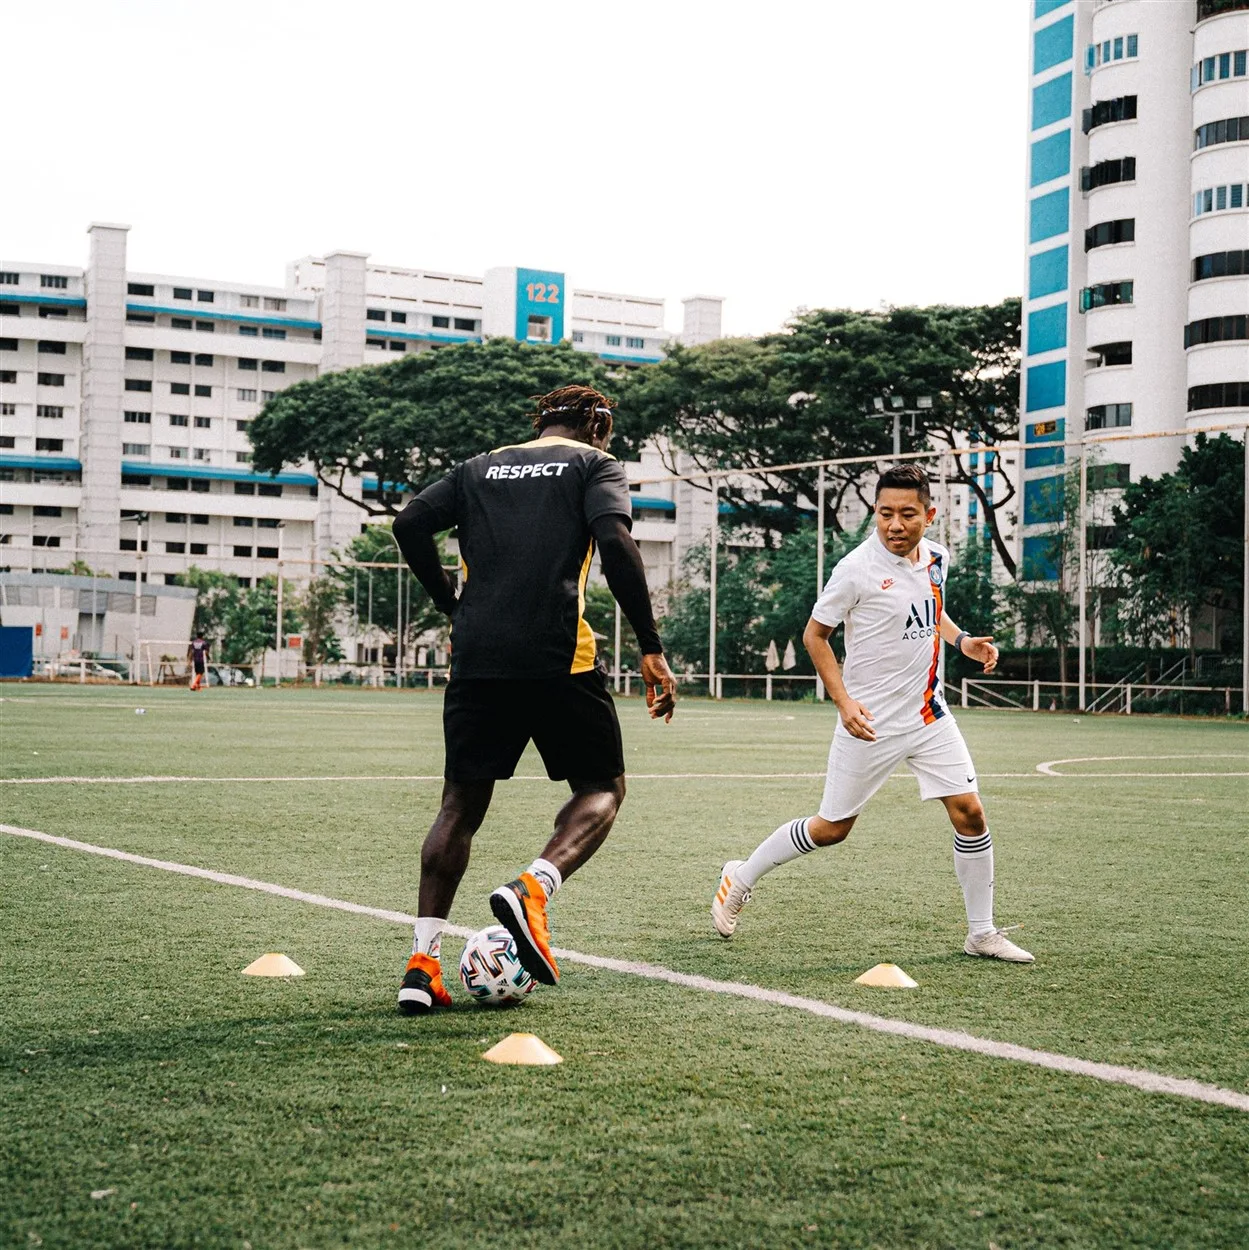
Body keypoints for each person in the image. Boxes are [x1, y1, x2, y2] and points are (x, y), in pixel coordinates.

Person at [391, 384, 678, 1014]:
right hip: (557, 657)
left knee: (459, 806)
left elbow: (409, 523)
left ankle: (420, 966)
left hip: (477, 659)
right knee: (602, 787)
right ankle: (535, 886)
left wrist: (450, 601)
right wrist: (650, 644)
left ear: (540, 422)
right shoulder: (593, 465)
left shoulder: (479, 467)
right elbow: (617, 547)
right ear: (598, 424)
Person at [712, 463, 1033, 963]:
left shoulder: (938, 560)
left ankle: (981, 932)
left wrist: (963, 641)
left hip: (929, 717)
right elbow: (814, 636)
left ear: (930, 514)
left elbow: (933, 610)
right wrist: (843, 702)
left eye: (907, 514)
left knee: (970, 812)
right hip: (869, 725)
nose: (895, 525)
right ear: (875, 515)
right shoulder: (855, 569)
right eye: (885, 514)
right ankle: (742, 874)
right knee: (832, 828)